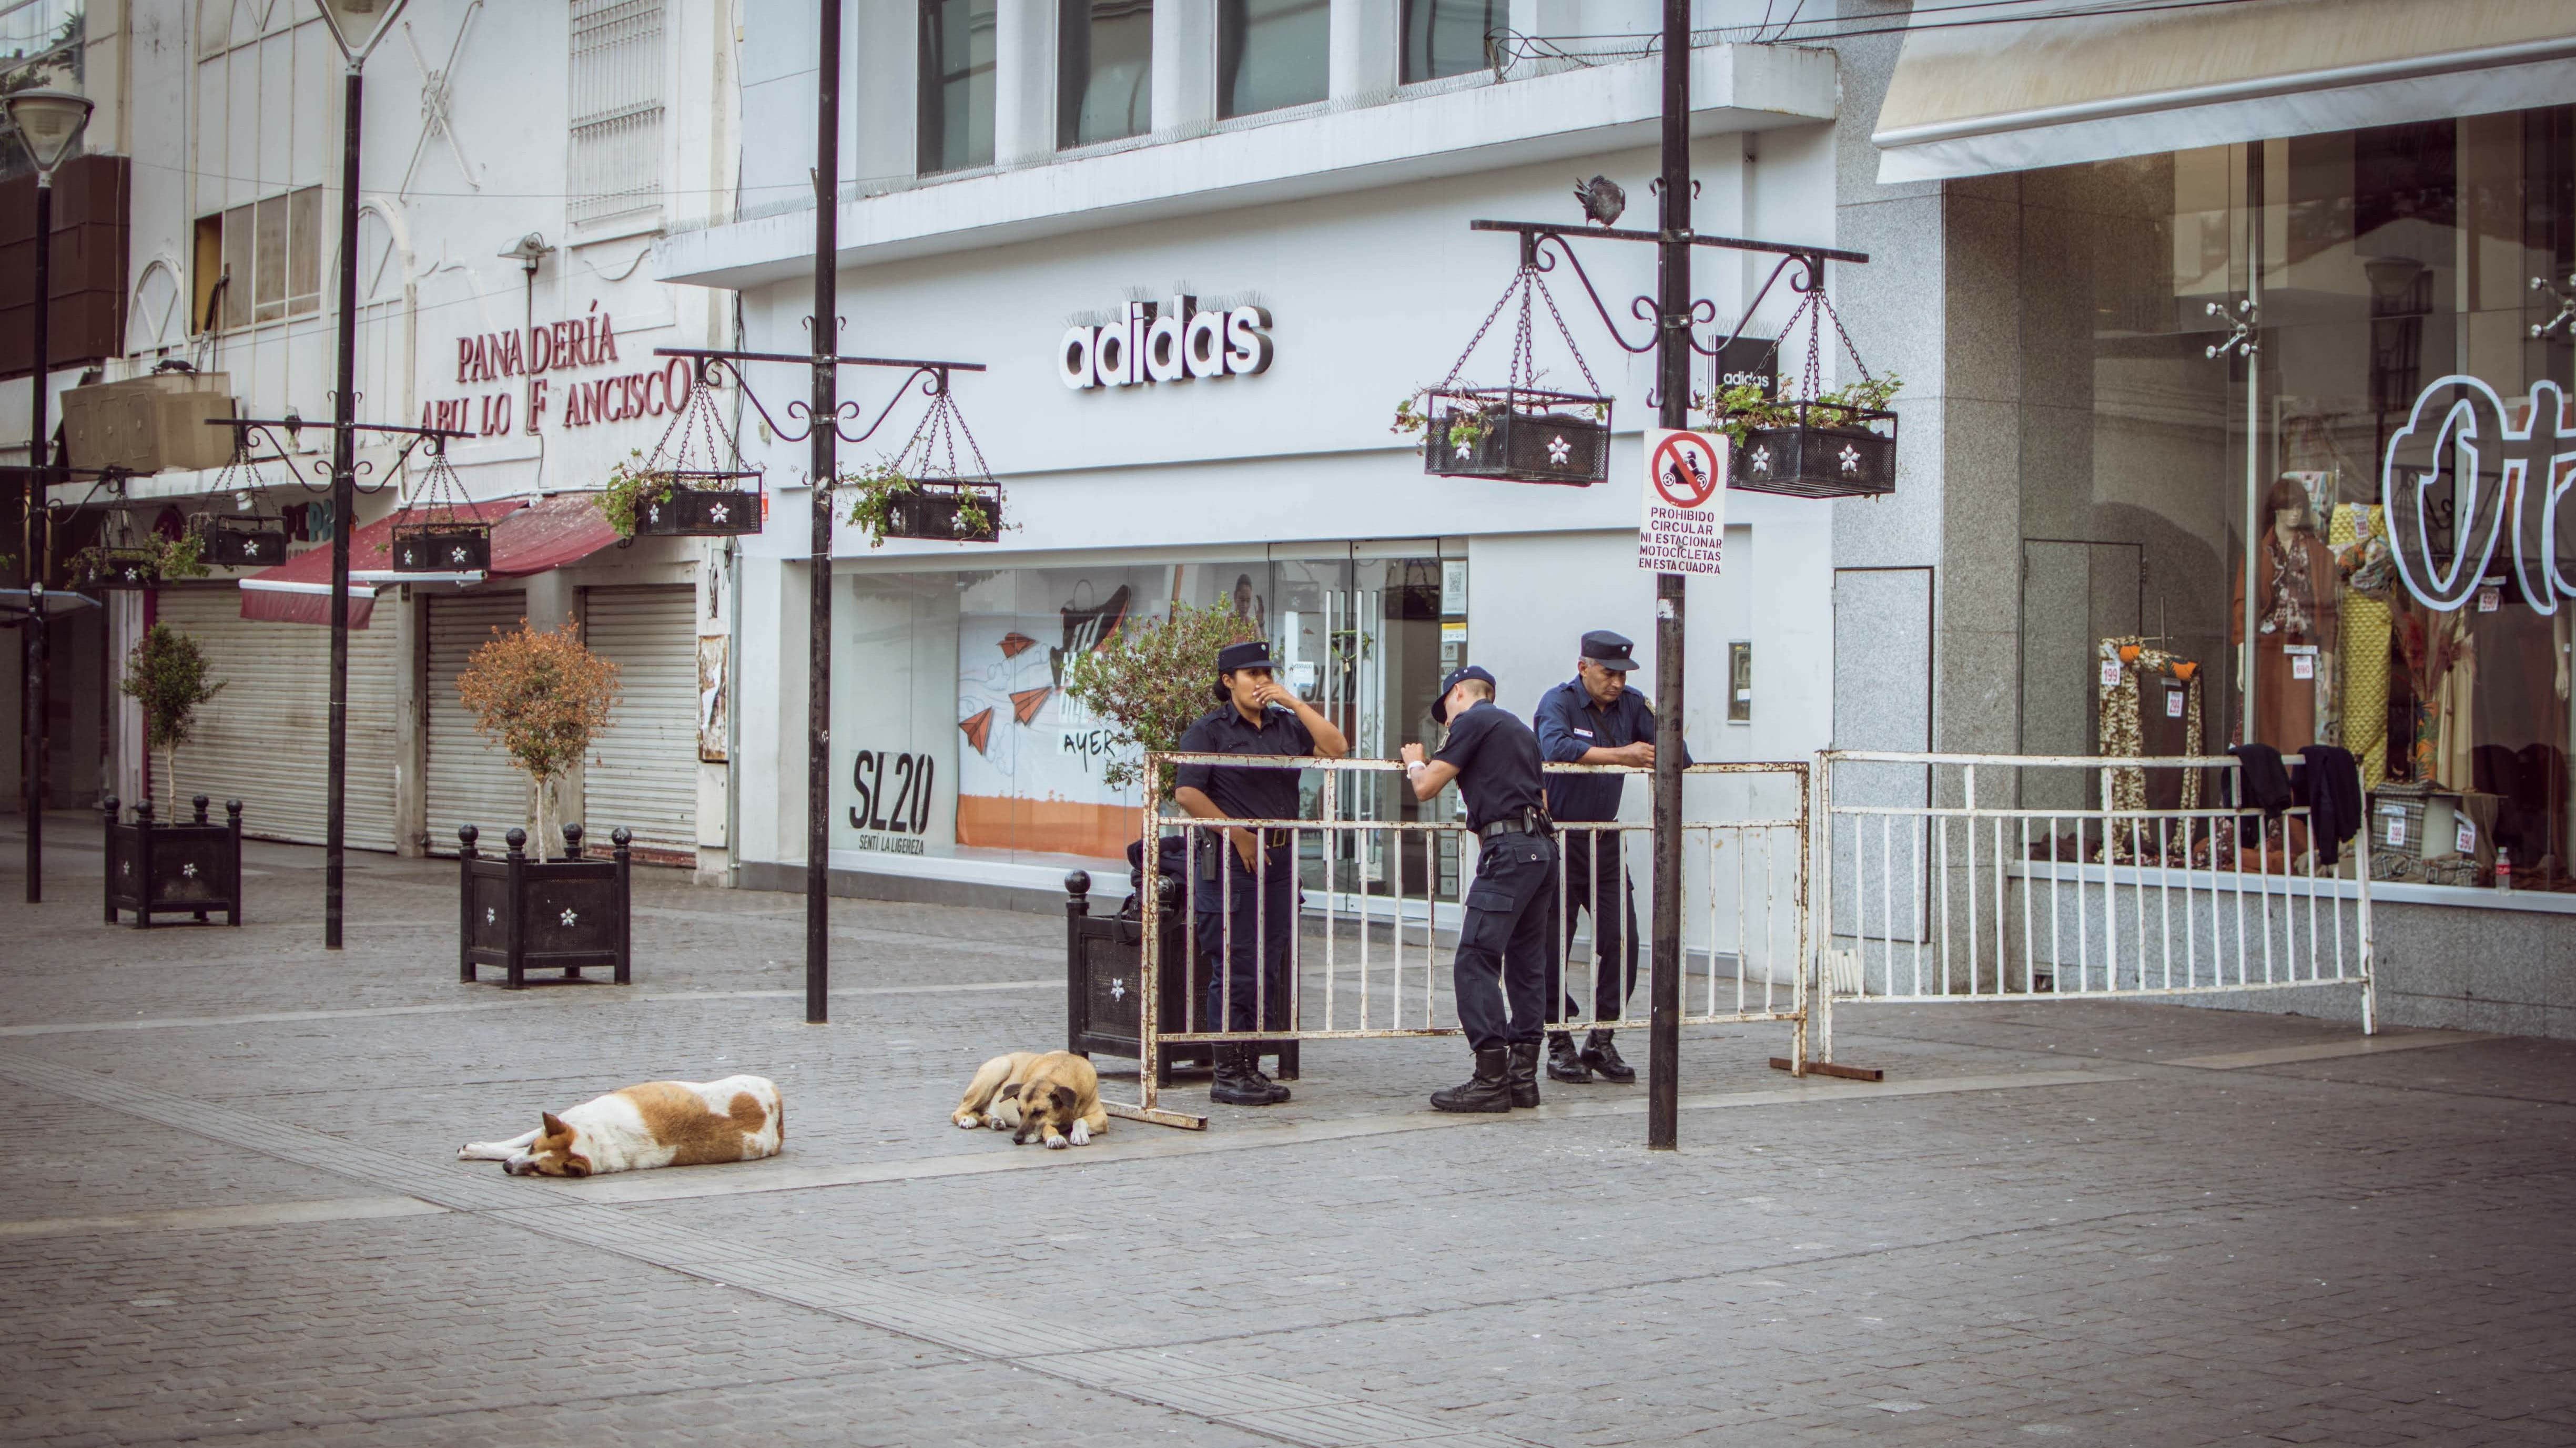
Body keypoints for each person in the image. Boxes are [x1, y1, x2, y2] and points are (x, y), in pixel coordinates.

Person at [1173, 639, 1348, 1107]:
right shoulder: (1207, 731)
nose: (1260, 682)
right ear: (1228, 681)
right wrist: (1238, 833)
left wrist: (1293, 702)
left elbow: (1337, 748)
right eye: (1251, 674)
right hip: (1233, 862)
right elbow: (1188, 794)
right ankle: (1227, 1072)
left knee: (1266, 967)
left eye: (1266, 673)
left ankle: (1250, 1068)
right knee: (1235, 967)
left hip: (1279, 861)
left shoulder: (1284, 726)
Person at [1530, 629, 1688, 1085]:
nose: (1617, 683)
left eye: (1623, 675)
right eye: (1608, 673)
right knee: (1552, 945)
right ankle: (1557, 1042)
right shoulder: (1559, 702)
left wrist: (1666, 735)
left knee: (1624, 941)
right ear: (1584, 668)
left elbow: (1678, 755)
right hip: (1559, 838)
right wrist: (1623, 753)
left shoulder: (1633, 705)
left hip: (1603, 842)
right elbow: (1555, 747)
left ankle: (1601, 1038)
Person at [1401, 665, 1558, 1113]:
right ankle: (1522, 1080)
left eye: (1445, 714)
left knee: (1475, 959)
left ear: (1458, 695)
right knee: (1527, 965)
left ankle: (1490, 1078)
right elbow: (1543, 799)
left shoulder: (1472, 720)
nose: (1447, 723)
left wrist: (1416, 758)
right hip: (1542, 850)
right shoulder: (1520, 729)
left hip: (1509, 852)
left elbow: (1428, 786)